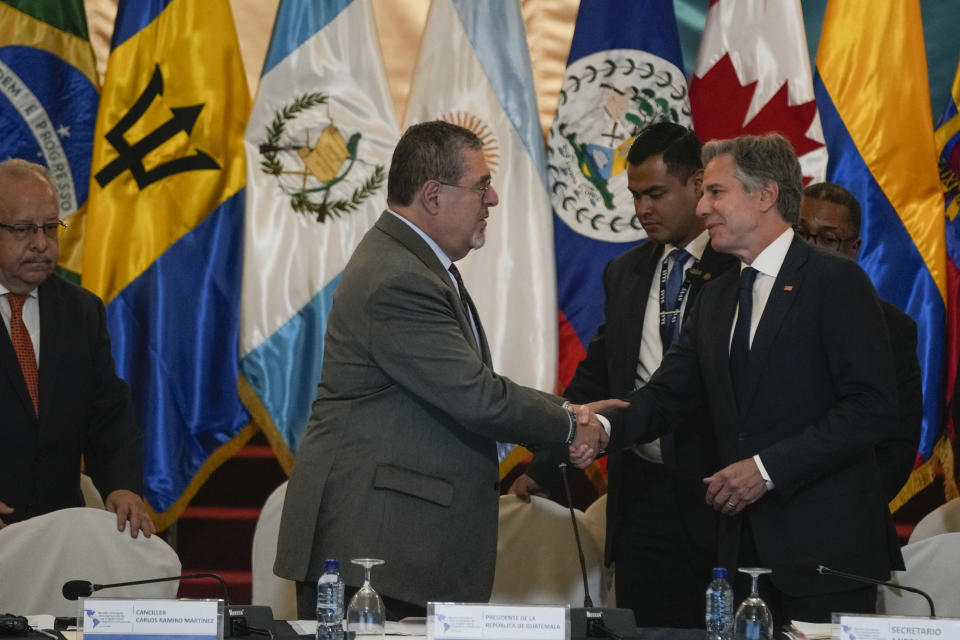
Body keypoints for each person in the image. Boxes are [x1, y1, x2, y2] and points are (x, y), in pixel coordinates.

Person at [274, 120, 609, 619]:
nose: (492, 198)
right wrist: (571, 421)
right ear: (433, 194)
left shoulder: (413, 263)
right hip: (377, 549)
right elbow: (477, 397)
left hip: (396, 545)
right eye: (480, 185)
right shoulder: (399, 277)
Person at [604, 134, 903, 624]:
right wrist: (598, 427)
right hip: (739, 556)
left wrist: (765, 469)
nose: (701, 208)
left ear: (765, 194)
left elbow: (870, 408)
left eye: (715, 193)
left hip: (824, 556)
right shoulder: (717, 296)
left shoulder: (835, 281)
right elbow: (665, 395)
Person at [511, 122, 737, 627]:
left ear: (698, 183)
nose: (643, 209)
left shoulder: (736, 270)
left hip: (719, 496)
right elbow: (598, 376)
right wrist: (547, 465)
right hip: (639, 500)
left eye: (656, 194)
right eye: (635, 196)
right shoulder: (626, 272)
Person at [0, 158, 153, 538]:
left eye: (50, 228)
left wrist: (121, 486)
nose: (41, 243)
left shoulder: (81, 311)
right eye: (23, 230)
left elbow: (109, 416)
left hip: (60, 537)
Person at [797, 182, 922, 501]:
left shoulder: (892, 329)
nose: (810, 247)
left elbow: (897, 445)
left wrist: (847, 508)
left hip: (846, 511)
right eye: (800, 233)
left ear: (853, 247)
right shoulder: (752, 307)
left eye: (827, 239)